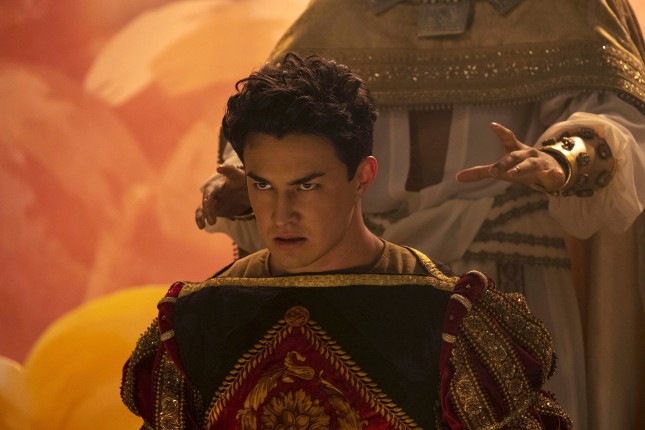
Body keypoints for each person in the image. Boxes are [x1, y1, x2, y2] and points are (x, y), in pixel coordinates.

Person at [195, 1, 645, 427]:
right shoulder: (338, 12)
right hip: (366, 281)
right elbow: (285, 118)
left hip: (508, 274)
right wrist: (248, 183)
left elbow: (614, 117)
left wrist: (563, 159)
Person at [122, 54, 571, 429]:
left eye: (306, 186)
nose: (281, 214)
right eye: (263, 185)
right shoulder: (196, 322)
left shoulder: (446, 321)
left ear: (363, 177)